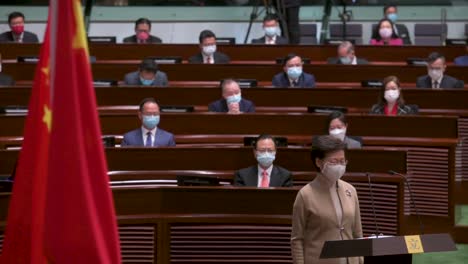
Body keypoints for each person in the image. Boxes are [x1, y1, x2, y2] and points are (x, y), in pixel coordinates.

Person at [291, 135, 363, 264]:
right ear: (319, 162)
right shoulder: (305, 194)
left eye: (342, 161)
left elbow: (357, 234)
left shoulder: (350, 190)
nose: (339, 166)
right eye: (333, 162)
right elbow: (297, 239)